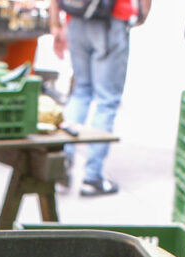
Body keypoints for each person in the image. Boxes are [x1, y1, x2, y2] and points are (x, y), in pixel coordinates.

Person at [50, 0, 151, 196]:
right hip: (111, 20)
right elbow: (144, 8)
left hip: (76, 19)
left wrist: (55, 24)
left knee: (81, 91)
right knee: (107, 100)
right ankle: (92, 176)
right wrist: (143, 12)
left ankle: (61, 164)